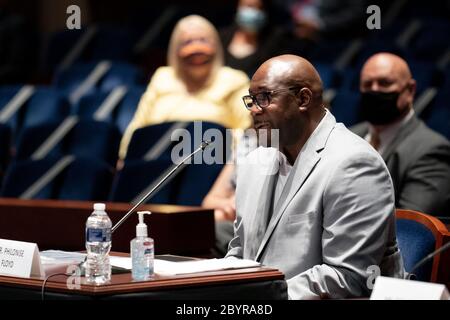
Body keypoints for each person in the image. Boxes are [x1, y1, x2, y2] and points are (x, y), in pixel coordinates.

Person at [226, 54, 404, 299]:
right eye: (251, 100)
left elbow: (347, 277)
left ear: (303, 98)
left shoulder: (354, 163)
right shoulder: (255, 163)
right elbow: (239, 253)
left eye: (265, 98)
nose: (254, 110)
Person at [119, 15, 252, 160]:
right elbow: (137, 126)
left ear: (216, 45)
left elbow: (248, 133)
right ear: (175, 50)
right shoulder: (162, 77)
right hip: (156, 161)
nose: (196, 49)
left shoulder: (234, 80)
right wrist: (124, 158)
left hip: (213, 163)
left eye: (203, 40)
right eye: (187, 42)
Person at [352, 53, 450, 218]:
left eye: (385, 83)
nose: (374, 90)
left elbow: (410, 225)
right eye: (367, 84)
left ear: (410, 90)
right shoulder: (349, 134)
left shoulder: (432, 150)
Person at [220, 0, 291, 77]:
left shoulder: (276, 42)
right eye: (249, 6)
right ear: (238, 6)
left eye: (260, 8)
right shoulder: (222, 36)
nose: (254, 11)